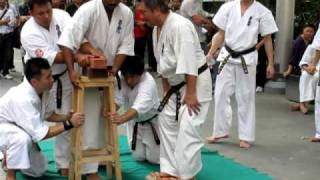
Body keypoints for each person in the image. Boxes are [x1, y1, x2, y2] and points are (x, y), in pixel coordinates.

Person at [58, 0, 134, 178]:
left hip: (108, 72)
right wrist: (71, 72)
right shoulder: (89, 9)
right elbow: (68, 40)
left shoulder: (126, 13)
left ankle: (95, 163)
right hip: (85, 72)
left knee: (103, 118)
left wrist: (114, 68)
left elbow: (126, 45)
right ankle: (85, 169)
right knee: (86, 119)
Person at [140, 0, 212, 179]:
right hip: (174, 85)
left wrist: (191, 93)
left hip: (194, 83)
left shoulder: (180, 26)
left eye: (144, 12)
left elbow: (189, 62)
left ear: (156, 10)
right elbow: (163, 65)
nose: (142, 17)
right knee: (166, 120)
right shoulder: (158, 29)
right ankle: (171, 171)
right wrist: (166, 92)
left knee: (188, 128)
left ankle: (187, 175)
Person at [206, 0, 278, 149]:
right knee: (220, 94)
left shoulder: (263, 12)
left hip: (247, 59)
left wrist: (270, 63)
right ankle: (220, 131)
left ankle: (245, 136)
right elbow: (220, 33)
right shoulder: (228, 7)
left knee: (245, 97)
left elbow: (268, 39)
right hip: (227, 56)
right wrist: (211, 52)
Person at [0, 58, 85, 180]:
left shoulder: (44, 90)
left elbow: (48, 115)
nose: (52, 79)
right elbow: (42, 134)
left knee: (38, 169)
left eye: (51, 75)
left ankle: (10, 156)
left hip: (20, 127)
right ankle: (10, 174)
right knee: (22, 139)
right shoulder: (22, 98)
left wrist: (66, 116)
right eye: (48, 77)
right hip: (3, 127)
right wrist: (69, 123)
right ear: (35, 82)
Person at [20, 0, 76, 176]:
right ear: (31, 12)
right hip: (39, 80)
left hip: (64, 76)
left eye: (48, 11)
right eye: (40, 13)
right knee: (29, 123)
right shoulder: (28, 33)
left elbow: (76, 38)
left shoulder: (63, 15)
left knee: (66, 116)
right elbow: (57, 57)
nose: (46, 16)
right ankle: (14, 157)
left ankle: (63, 163)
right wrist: (77, 55)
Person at [109, 55, 160, 164]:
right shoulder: (121, 76)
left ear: (141, 73)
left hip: (152, 122)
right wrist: (110, 110)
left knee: (154, 159)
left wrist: (121, 119)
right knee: (138, 157)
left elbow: (137, 108)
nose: (129, 80)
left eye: (132, 77)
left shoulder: (148, 84)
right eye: (126, 76)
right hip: (134, 123)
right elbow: (118, 98)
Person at [290, 46, 318, 114]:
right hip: (310, 70)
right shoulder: (311, 47)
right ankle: (302, 104)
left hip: (317, 71)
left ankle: (302, 104)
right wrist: (307, 69)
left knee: (316, 77)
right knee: (305, 75)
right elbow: (303, 63)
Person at [0, 0, 15, 80]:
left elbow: (12, 23)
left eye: (3, 0)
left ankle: (5, 72)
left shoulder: (10, 11)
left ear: (6, 2)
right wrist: (5, 21)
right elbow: (8, 21)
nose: (2, 2)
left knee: (7, 53)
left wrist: (2, 22)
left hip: (8, 35)